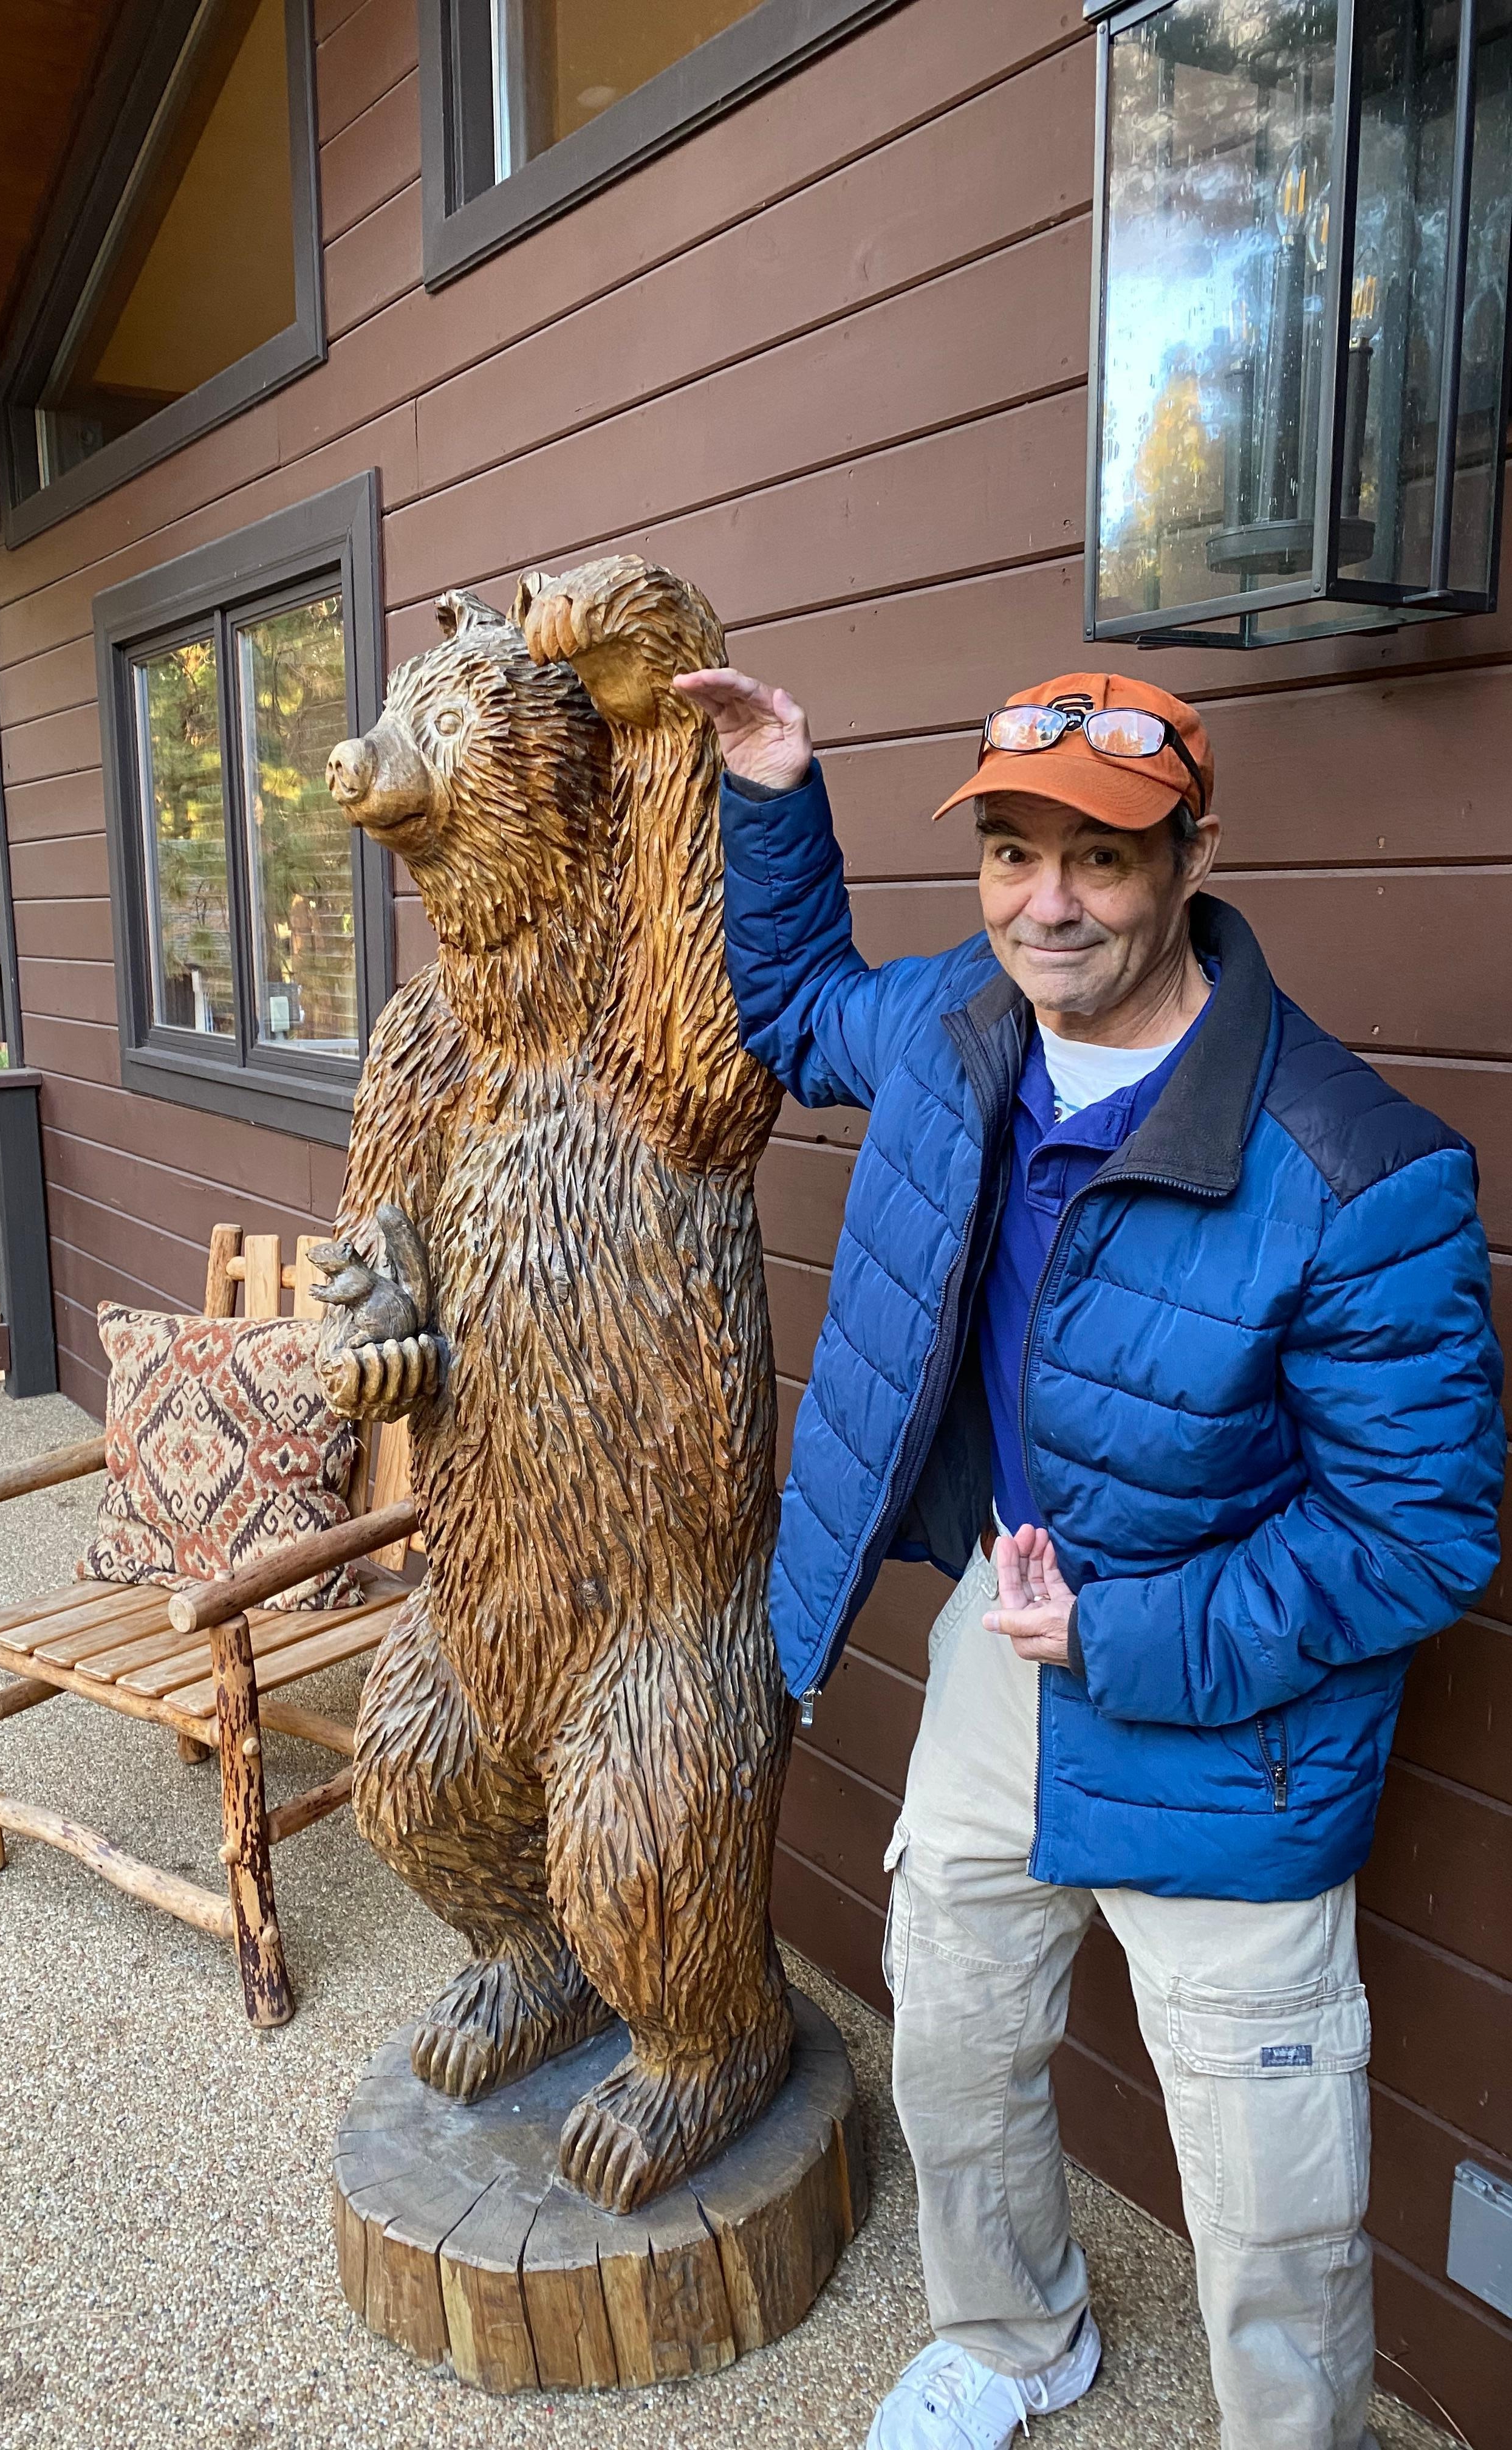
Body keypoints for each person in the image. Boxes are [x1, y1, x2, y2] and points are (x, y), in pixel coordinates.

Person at [672, 664, 1505, 2450]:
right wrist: (774, 790)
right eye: (1010, 849)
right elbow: (799, 1006)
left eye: (1102, 859)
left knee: (1269, 2183)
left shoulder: (1361, 1176)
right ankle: (1013, 2333)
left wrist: (1128, 1635)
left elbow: (1419, 1534)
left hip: (1232, 1710)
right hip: (1009, 1625)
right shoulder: (963, 1023)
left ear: (1196, 854)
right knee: (957, 2038)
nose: (1047, 901)